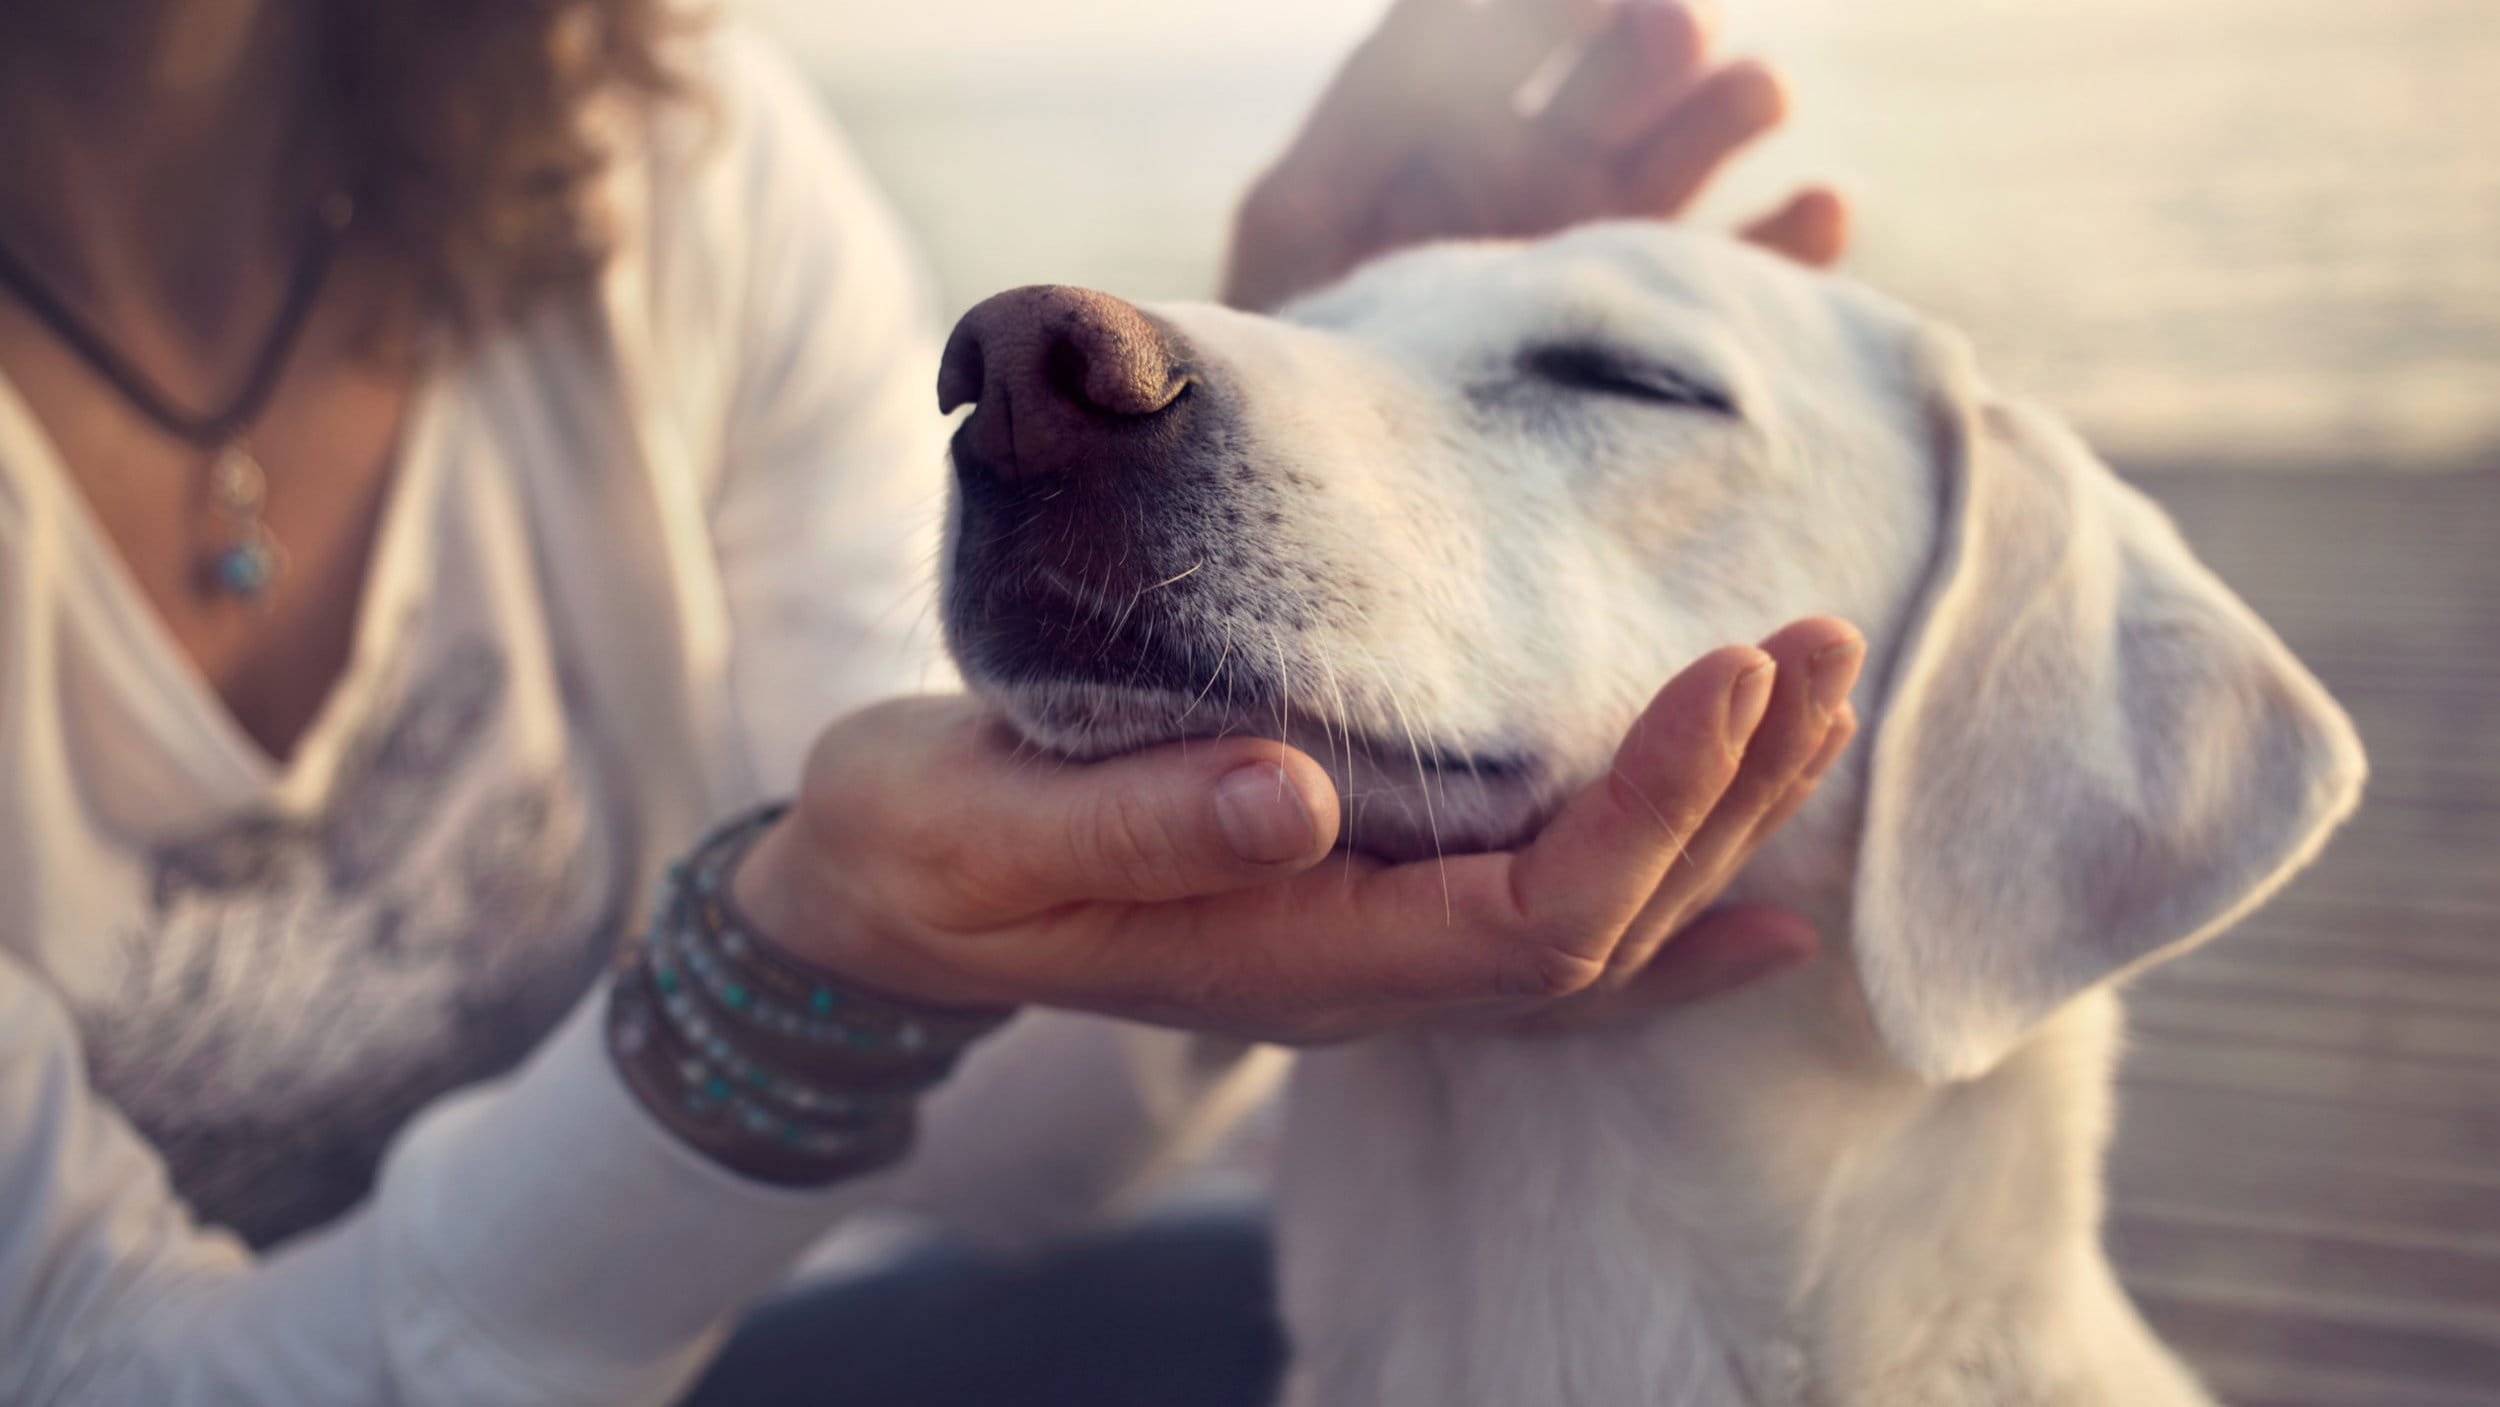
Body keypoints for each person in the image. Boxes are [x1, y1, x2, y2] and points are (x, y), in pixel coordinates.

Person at [0, 0, 1861, 1402]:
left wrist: (1276, 484)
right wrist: (807, 945)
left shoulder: (653, 159)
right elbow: (99, 1369)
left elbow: (1007, 1144)